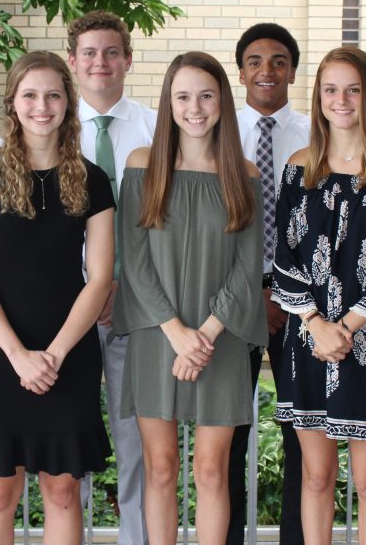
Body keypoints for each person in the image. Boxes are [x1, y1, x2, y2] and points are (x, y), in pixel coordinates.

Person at [0, 51, 114, 545]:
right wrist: (19, 356)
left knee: (63, 491)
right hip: (1, 355)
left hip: (68, 354)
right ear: (12, 104)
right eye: (30, 94)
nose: (41, 105)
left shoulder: (92, 179)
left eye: (52, 95)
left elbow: (101, 277)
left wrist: (54, 356)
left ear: (68, 103)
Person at [271, 46, 366, 545]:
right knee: (316, 477)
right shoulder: (300, 167)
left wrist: (351, 325)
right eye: (331, 90)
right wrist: (317, 324)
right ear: (318, 97)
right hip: (309, 339)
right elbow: (287, 257)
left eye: (353, 89)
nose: (341, 100)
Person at [113, 51, 267, 545]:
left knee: (212, 471)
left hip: (218, 340)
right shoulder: (143, 166)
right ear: (168, 102)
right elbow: (133, 261)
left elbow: (248, 267)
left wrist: (205, 334)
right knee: (159, 468)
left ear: (222, 100)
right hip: (158, 334)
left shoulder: (244, 174)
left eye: (206, 95)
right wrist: (177, 332)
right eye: (183, 96)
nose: (195, 108)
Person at [68, 10, 155, 545]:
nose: (101, 62)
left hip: (139, 306)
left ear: (127, 59)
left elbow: (164, 222)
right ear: (73, 62)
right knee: (69, 438)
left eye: (111, 52)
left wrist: (123, 287)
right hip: (66, 310)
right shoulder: (51, 128)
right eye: (89, 53)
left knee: (136, 440)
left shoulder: (156, 127)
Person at [230, 23, 309, 545]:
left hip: (303, 302)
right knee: (230, 434)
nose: (267, 71)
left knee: (303, 434)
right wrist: (252, 290)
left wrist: (285, 291)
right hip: (233, 298)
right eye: (255, 61)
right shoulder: (216, 133)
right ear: (240, 72)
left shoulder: (315, 134)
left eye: (278, 61)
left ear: (293, 72)